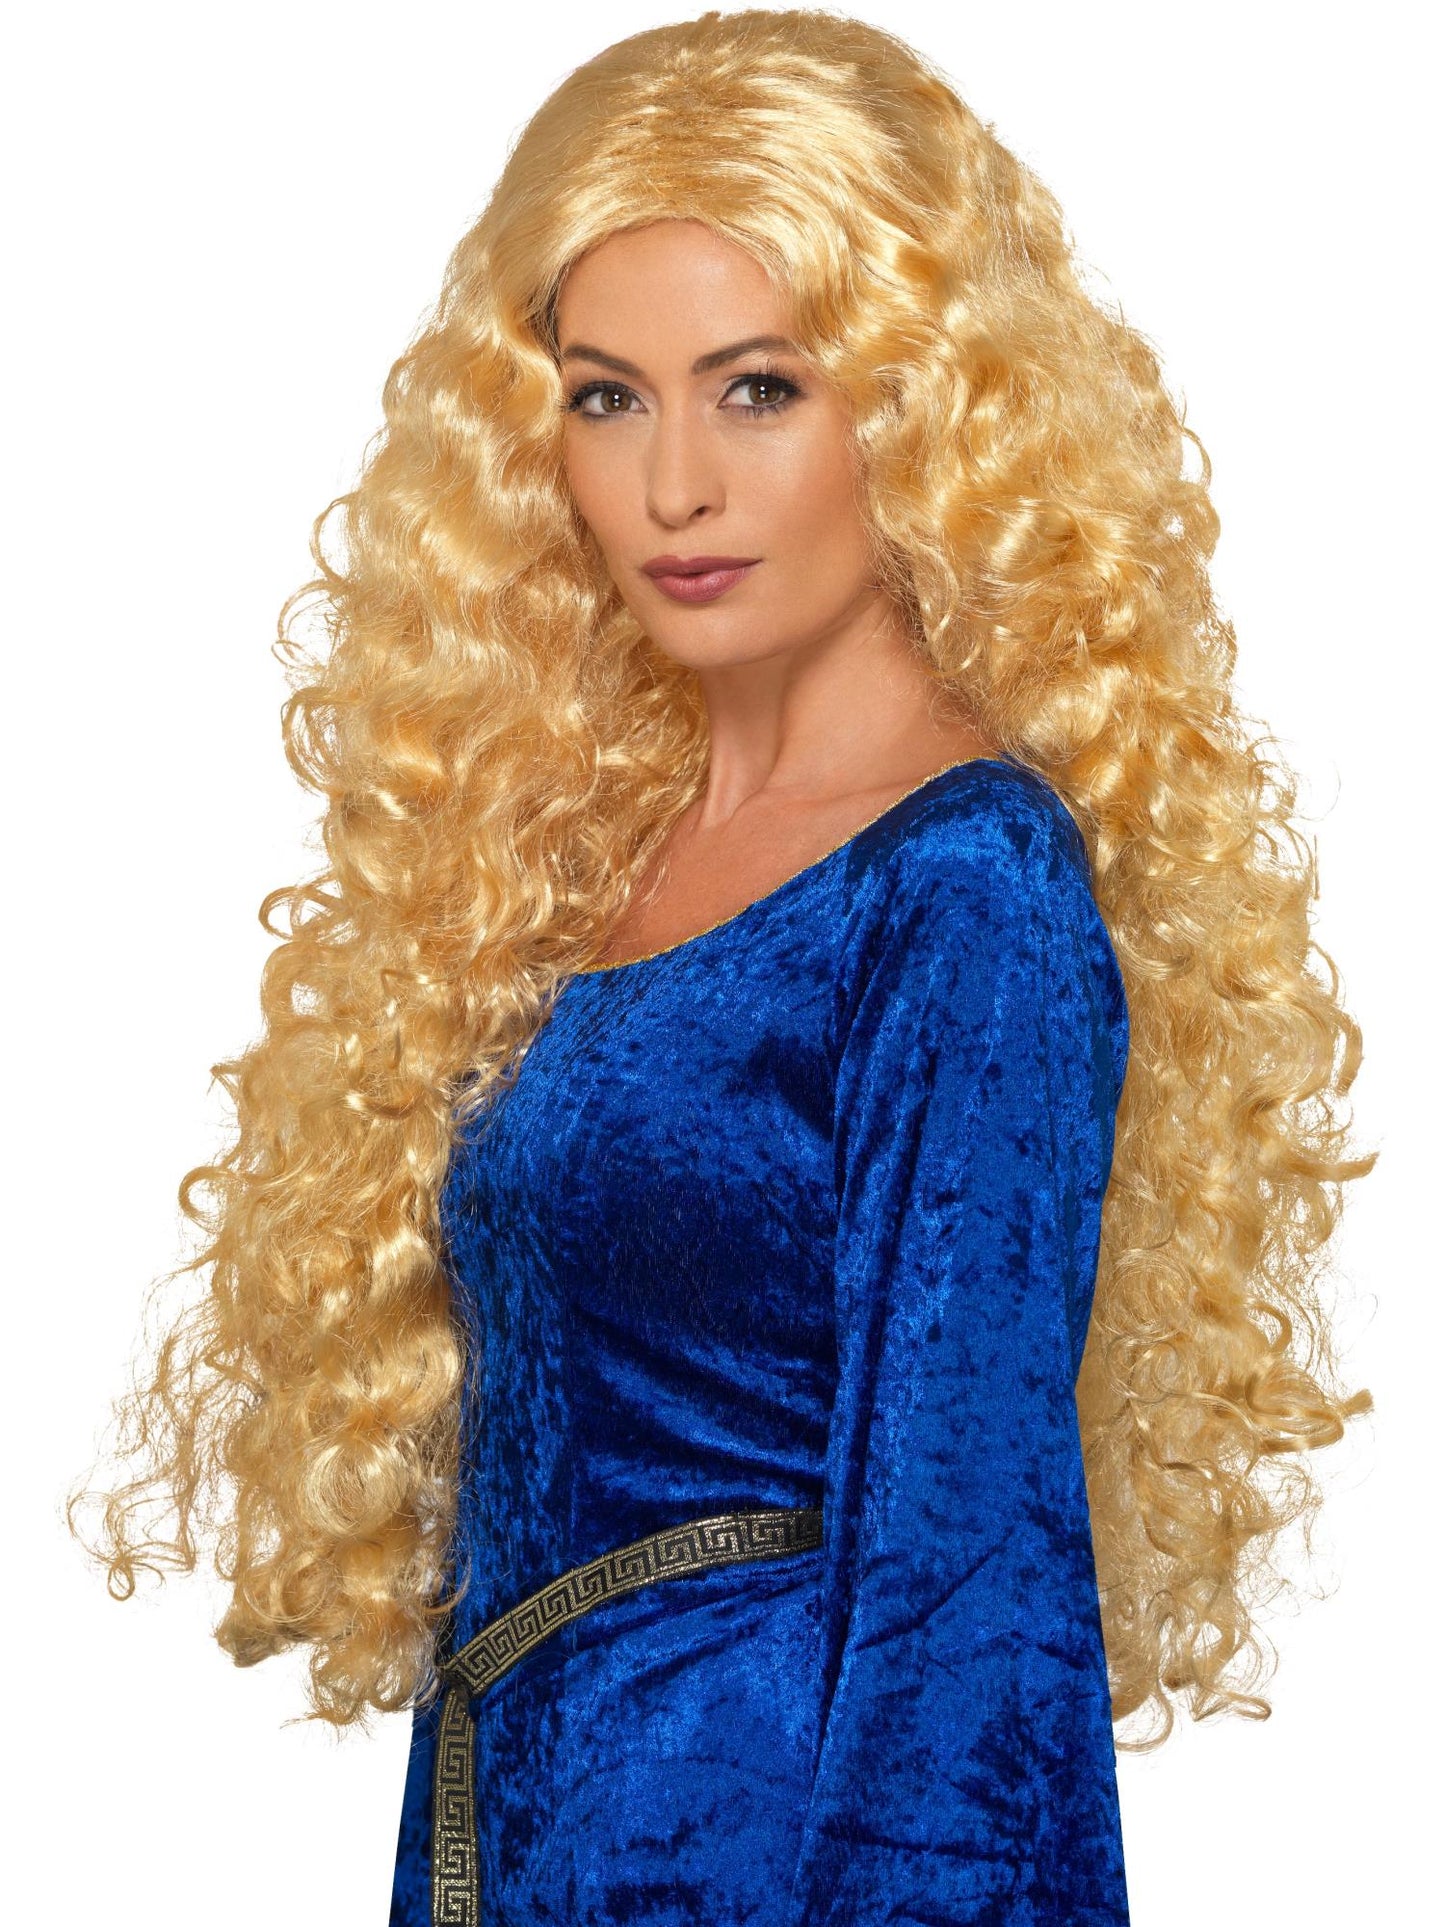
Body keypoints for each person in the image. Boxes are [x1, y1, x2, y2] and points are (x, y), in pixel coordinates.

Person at [69, 10, 1375, 1924]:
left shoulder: (961, 884)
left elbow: (967, 1583)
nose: (672, 484)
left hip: (773, 1856)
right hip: (521, 1832)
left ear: (916, 407)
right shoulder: (569, 864)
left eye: (756, 389)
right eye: (607, 399)